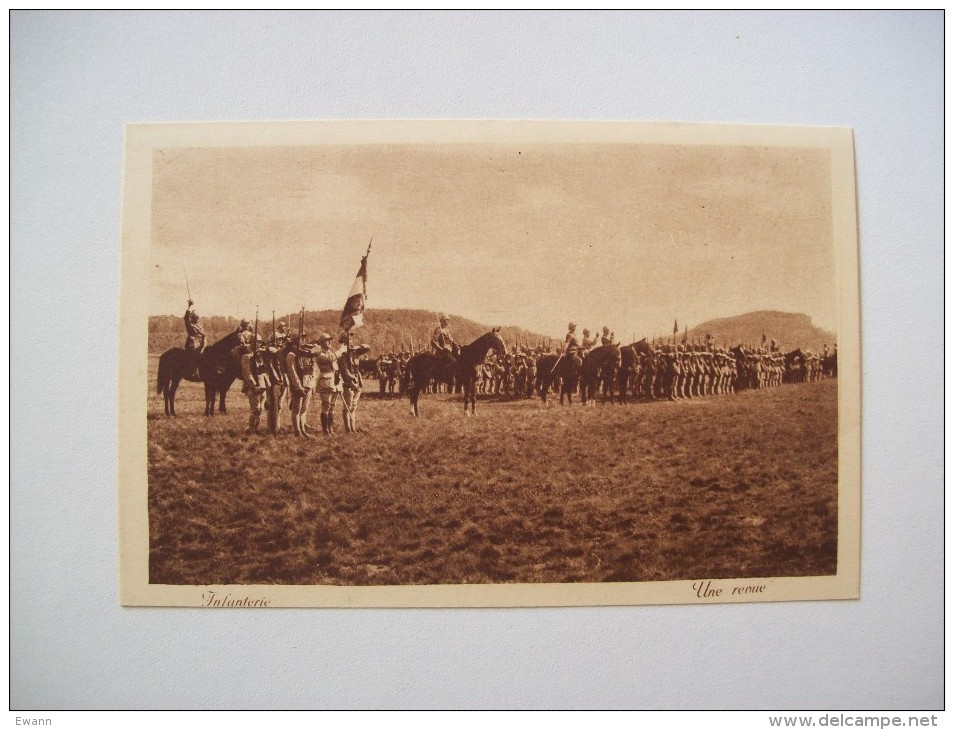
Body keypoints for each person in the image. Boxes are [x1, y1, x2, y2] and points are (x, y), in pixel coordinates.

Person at [338, 331, 372, 433]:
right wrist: (352, 381)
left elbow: (367, 347)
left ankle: (353, 428)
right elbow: (345, 371)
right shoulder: (342, 354)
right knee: (348, 406)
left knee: (354, 406)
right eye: (348, 338)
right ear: (343, 340)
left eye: (351, 338)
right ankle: (348, 429)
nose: (350, 340)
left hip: (358, 381)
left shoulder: (355, 352)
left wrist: (357, 347)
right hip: (348, 382)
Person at [284, 332, 317, 438]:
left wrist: (311, 385)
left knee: (304, 409)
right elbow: (292, 373)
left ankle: (303, 430)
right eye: (301, 338)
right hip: (298, 386)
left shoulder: (305, 353)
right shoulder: (291, 355)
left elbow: (310, 369)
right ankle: (297, 431)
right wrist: (298, 387)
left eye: (304, 338)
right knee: (297, 409)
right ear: (294, 341)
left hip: (307, 384)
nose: (303, 340)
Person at [314, 332, 347, 435]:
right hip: (326, 380)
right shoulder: (319, 353)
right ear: (321, 343)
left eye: (329, 340)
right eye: (326, 340)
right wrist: (341, 350)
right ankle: (325, 431)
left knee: (332, 406)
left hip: (334, 380)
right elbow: (330, 359)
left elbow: (335, 365)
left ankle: (330, 429)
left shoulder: (330, 352)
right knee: (326, 405)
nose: (329, 342)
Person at [233, 339, 267, 434]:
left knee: (260, 409)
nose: (259, 344)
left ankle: (256, 428)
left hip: (263, 385)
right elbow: (247, 372)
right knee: (255, 409)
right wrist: (253, 385)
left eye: (260, 342)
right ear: (252, 343)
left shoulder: (260, 356)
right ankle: (251, 429)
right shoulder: (246, 357)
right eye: (257, 342)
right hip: (253, 386)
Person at [183, 300, 206, 381]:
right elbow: (185, 318)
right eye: (196, 317)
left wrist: (204, 345)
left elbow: (204, 336)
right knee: (195, 355)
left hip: (200, 345)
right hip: (192, 345)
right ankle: (193, 372)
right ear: (192, 318)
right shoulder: (190, 324)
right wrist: (189, 307)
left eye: (198, 317)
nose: (197, 318)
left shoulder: (199, 326)